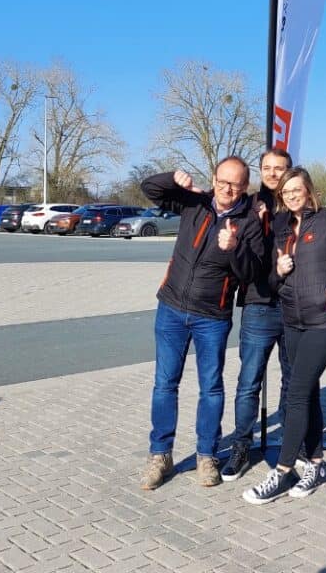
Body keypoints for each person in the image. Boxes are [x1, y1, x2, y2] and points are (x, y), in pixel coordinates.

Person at [243, 167, 326, 504]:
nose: (291, 196)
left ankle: (283, 471)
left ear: (309, 190)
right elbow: (272, 280)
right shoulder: (282, 227)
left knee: (296, 392)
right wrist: (278, 272)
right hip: (292, 319)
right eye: (286, 192)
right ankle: (315, 465)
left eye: (296, 189)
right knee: (308, 391)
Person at [139, 158, 263, 490]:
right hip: (171, 309)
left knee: (211, 387)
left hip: (212, 317)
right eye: (223, 181)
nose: (227, 189)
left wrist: (235, 249)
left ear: (245, 187)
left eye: (235, 184)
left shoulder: (249, 222)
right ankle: (160, 455)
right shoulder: (194, 202)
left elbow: (252, 272)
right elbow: (149, 188)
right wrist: (173, 178)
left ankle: (206, 455)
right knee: (165, 384)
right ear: (214, 178)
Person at [221, 148, 293, 482]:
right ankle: (241, 444)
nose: (273, 173)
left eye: (280, 168)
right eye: (267, 167)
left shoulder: (298, 202)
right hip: (259, 304)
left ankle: (293, 443)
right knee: (249, 381)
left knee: (293, 380)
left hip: (294, 305)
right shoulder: (249, 205)